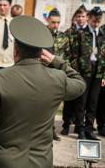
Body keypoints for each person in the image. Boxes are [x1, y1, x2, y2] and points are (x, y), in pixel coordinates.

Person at [0, 15, 86, 168]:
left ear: (15, 51)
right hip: (41, 162)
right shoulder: (57, 79)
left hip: (5, 162)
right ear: (41, 54)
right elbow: (80, 83)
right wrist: (55, 61)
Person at [72, 6, 105, 140]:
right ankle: (80, 129)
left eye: (98, 20)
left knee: (93, 102)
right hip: (84, 72)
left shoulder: (103, 34)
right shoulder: (81, 33)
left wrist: (103, 74)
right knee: (82, 101)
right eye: (94, 20)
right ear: (89, 18)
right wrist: (76, 73)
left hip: (97, 72)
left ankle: (89, 129)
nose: (96, 22)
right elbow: (75, 54)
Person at [61, 5, 88, 135]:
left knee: (82, 100)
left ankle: (79, 125)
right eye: (78, 16)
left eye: (83, 16)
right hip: (72, 70)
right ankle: (66, 124)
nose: (80, 19)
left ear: (87, 18)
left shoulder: (90, 33)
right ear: (74, 18)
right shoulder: (69, 32)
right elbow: (65, 52)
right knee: (70, 97)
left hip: (87, 71)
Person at [46, 8, 72, 141]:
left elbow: (67, 56)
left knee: (55, 103)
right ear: (47, 20)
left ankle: (51, 130)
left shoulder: (63, 37)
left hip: (57, 74)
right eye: (53, 22)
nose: (55, 25)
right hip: (44, 73)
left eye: (58, 22)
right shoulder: (42, 34)